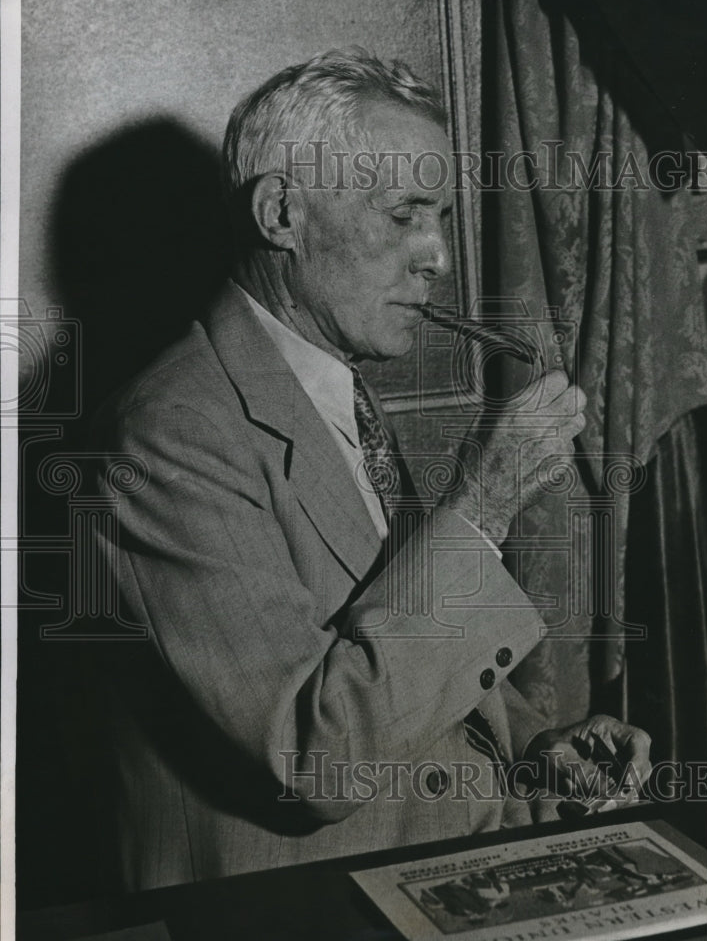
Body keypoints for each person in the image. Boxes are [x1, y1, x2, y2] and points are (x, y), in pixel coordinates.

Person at [93, 48, 651, 892]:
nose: (439, 258)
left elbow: (389, 642)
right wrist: (483, 504)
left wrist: (539, 746)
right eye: (403, 216)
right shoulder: (168, 437)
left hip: (443, 876)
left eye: (442, 217)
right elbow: (314, 757)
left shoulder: (328, 387)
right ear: (281, 213)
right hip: (297, 920)